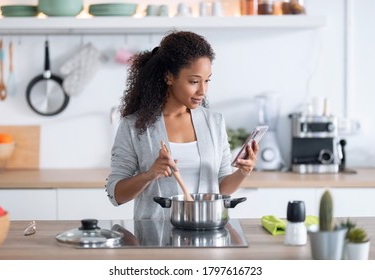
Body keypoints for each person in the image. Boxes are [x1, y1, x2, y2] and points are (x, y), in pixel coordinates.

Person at [105, 30, 259, 219]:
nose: (202, 90)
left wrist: (243, 172)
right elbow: (116, 194)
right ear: (169, 77)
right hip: (155, 239)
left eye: (207, 81)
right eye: (194, 81)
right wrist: (149, 174)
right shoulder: (134, 126)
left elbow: (221, 189)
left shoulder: (214, 122)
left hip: (207, 233)